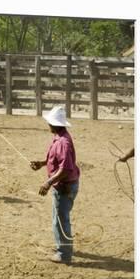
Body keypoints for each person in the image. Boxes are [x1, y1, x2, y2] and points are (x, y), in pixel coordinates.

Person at [30, 106, 80, 264]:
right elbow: (58, 161)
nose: (48, 125)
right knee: (58, 218)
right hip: (63, 185)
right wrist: (42, 163)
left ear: (55, 124)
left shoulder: (63, 142)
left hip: (65, 186)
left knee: (60, 219)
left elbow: (65, 168)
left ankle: (64, 254)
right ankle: (63, 247)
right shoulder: (60, 137)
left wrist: (48, 182)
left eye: (49, 123)